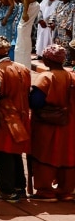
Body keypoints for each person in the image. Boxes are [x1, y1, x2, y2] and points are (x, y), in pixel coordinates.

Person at [0, 35, 31, 202]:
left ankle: (7, 190)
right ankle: (19, 188)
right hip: (22, 115)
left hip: (7, 117)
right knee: (15, 153)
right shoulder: (22, 68)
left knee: (1, 154)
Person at [29, 44, 75, 201]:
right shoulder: (70, 76)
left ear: (48, 60)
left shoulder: (46, 77)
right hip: (68, 124)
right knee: (66, 155)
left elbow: (35, 102)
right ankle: (66, 190)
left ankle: (45, 190)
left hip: (47, 124)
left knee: (46, 155)